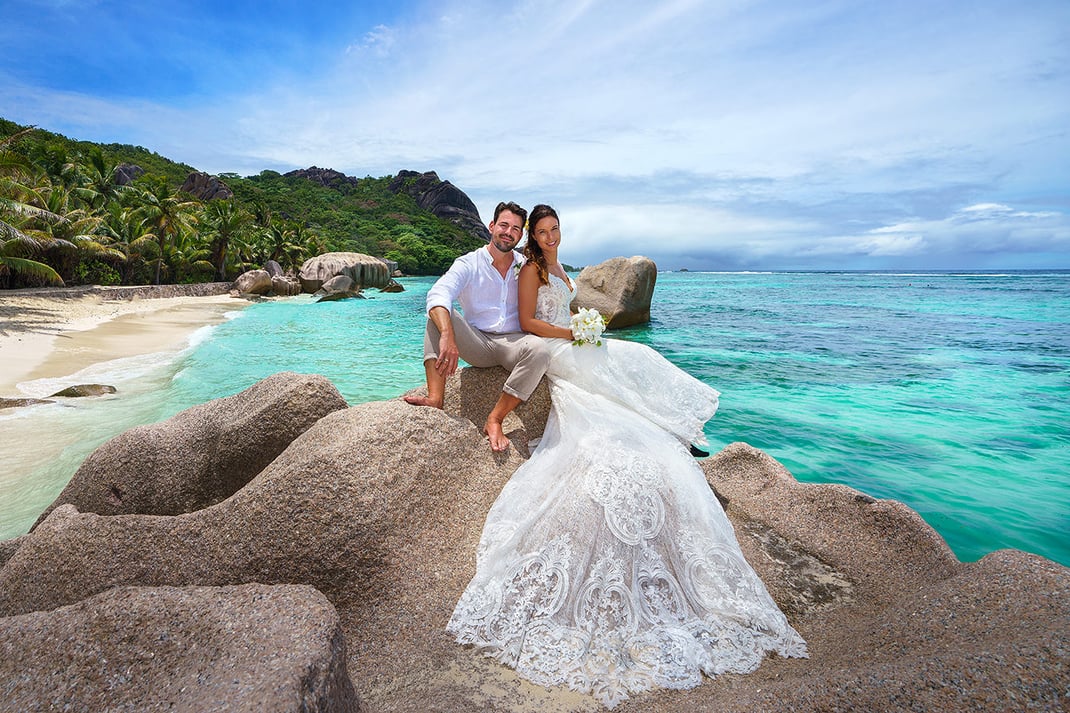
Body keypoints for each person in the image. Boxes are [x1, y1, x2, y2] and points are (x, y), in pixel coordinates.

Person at [448, 205, 806, 708]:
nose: (548, 238)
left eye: (554, 231)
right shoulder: (530, 269)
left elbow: (566, 313)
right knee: (627, 358)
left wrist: (585, 328)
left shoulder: (562, 271)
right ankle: (669, 424)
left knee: (634, 355)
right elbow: (529, 322)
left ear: (560, 234)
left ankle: (675, 424)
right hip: (552, 350)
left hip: (571, 342)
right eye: (542, 232)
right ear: (531, 235)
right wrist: (574, 334)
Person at [403, 201, 550, 452]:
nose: (508, 232)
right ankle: (436, 398)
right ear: (491, 226)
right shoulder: (469, 263)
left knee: (541, 351)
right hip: (478, 342)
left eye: (515, 229)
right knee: (438, 314)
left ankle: (495, 419)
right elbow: (439, 293)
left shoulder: (525, 264)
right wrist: (448, 335)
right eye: (503, 225)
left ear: (520, 235)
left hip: (515, 343)